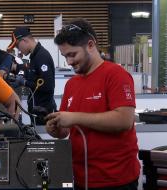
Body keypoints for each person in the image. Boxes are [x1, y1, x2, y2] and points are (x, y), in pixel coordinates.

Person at [45, 18, 140, 190]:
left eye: (72, 54)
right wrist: (57, 130)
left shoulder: (116, 75)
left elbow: (124, 121)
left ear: (90, 45)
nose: (69, 62)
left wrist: (75, 117)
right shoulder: (72, 84)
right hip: (81, 179)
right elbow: (67, 129)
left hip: (116, 180)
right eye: (65, 56)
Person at [7, 26, 57, 125]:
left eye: (17, 46)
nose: (19, 50)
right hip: (36, 109)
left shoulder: (41, 56)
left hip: (43, 111)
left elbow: (48, 86)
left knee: (42, 139)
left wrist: (24, 82)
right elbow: (33, 74)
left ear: (24, 40)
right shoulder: (35, 56)